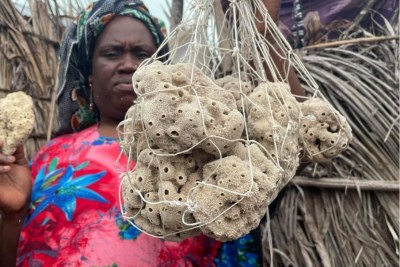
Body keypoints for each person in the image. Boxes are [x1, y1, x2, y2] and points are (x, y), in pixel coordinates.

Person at [0, 0, 304, 266]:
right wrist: (14, 215)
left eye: (143, 54)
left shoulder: (205, 147)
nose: (129, 65)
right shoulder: (51, 156)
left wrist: (264, 30)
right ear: (88, 71)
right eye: (112, 53)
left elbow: (292, 135)